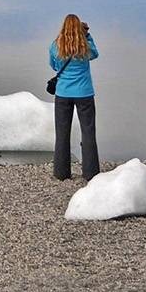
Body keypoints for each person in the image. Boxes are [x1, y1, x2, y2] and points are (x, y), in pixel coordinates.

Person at [48, 14, 100, 181]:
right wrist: (87, 35)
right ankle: (90, 172)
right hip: (84, 93)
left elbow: (54, 66)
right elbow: (95, 54)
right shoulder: (85, 46)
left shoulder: (55, 46)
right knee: (88, 132)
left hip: (63, 94)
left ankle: (62, 173)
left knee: (62, 133)